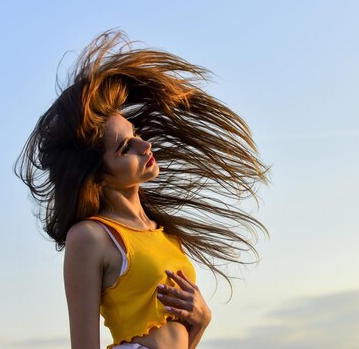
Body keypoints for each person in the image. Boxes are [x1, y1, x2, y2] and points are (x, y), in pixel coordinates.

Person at [15, 29, 270, 349]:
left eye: (134, 132)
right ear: (100, 176)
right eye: (124, 148)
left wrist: (202, 321)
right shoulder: (89, 237)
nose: (144, 144)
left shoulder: (166, 237)